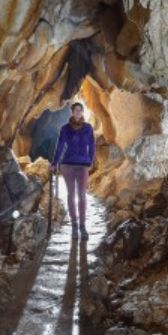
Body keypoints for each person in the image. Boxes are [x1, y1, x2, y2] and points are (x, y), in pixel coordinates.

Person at [50, 101, 96, 238]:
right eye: (76, 109)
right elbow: (60, 146)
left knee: (82, 194)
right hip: (68, 165)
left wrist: (91, 160)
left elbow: (92, 145)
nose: (78, 112)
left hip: (82, 165)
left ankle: (83, 226)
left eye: (80, 110)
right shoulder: (65, 128)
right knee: (71, 195)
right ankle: (74, 226)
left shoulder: (88, 128)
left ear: (82, 112)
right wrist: (54, 162)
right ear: (72, 111)